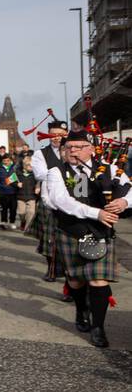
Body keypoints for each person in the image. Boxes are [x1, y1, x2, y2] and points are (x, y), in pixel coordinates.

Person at [45, 127, 131, 348]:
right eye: (68, 147)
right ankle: (81, 309)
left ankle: (98, 327)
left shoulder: (109, 169)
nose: (72, 150)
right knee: (76, 279)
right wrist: (97, 213)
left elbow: (130, 188)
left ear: (91, 149)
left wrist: (124, 202)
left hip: (101, 232)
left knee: (98, 279)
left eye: (78, 147)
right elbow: (61, 201)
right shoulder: (56, 172)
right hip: (71, 230)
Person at [31, 116, 69, 281]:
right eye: (53, 134)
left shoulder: (73, 151)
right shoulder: (40, 154)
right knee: (49, 239)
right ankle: (51, 268)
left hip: (71, 201)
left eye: (61, 134)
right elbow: (40, 173)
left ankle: (69, 276)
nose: (56, 137)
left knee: (68, 239)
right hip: (49, 201)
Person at [0, 154, 19, 228]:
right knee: (4, 208)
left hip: (13, 191)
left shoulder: (15, 168)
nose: (6, 162)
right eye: (4, 160)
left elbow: (19, 177)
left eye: (8, 160)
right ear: (2, 161)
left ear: (10, 160)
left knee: (13, 208)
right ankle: (3, 222)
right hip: (2, 191)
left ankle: (12, 222)